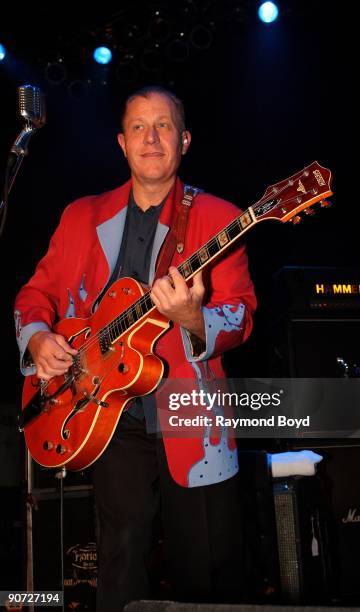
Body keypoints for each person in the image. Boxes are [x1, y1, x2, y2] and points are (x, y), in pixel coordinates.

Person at [14, 85, 257, 612]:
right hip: (106, 412)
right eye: (139, 127)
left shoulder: (220, 217)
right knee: (119, 567)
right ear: (121, 143)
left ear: (184, 140)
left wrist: (195, 319)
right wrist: (36, 337)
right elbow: (35, 294)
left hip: (192, 412)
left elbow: (241, 314)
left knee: (208, 570)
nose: (152, 137)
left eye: (164, 125)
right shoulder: (80, 216)